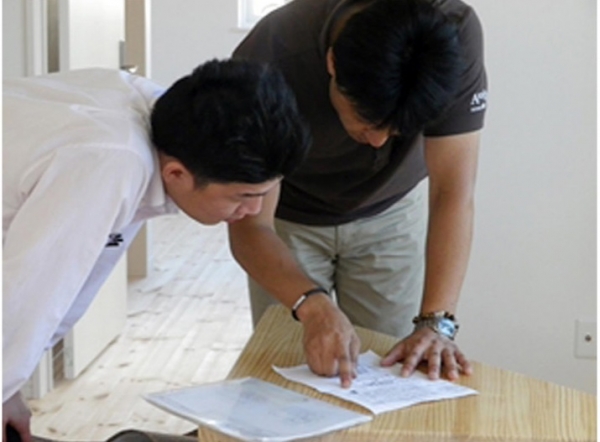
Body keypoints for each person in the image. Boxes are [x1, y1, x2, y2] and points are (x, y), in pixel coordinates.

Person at [3, 59, 310, 442]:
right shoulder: (111, 160)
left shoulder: (159, 121)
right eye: (243, 196)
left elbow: (62, 288)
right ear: (176, 174)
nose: (253, 211)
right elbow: (27, 293)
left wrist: (9, 387)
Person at [230, 0, 487, 387]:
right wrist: (311, 305)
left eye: (397, 130)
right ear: (332, 63)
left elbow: (453, 191)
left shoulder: (451, 36)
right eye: (367, 122)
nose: (379, 141)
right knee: (288, 376)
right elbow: (250, 226)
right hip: (289, 218)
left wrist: (437, 323)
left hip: (393, 213)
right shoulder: (270, 56)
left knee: (391, 372)